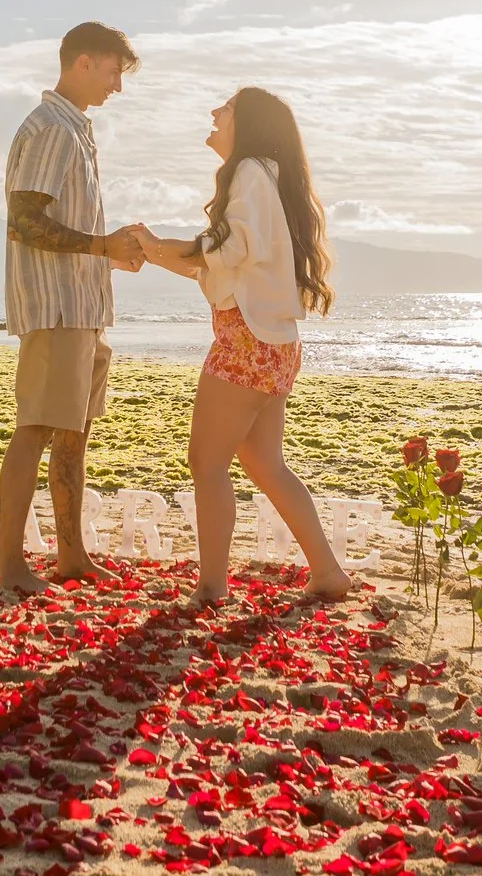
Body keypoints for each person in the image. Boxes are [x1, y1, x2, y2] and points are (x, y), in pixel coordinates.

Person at [138, 86, 352, 606]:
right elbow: (223, 263)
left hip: (245, 340)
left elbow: (226, 249)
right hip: (273, 344)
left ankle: (212, 586)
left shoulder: (250, 171)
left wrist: (158, 245)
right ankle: (326, 572)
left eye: (226, 108)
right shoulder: (267, 177)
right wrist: (153, 251)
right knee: (264, 463)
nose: (214, 113)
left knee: (206, 464)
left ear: (248, 122)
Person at [0, 21, 148, 592]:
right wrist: (100, 246)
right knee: (34, 427)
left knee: (73, 432)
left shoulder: (74, 129)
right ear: (83, 62)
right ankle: (9, 564)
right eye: (112, 73)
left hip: (82, 305)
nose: (116, 87)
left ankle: (71, 555)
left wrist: (105, 256)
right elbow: (24, 222)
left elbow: (58, 226)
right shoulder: (53, 128)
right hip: (57, 310)